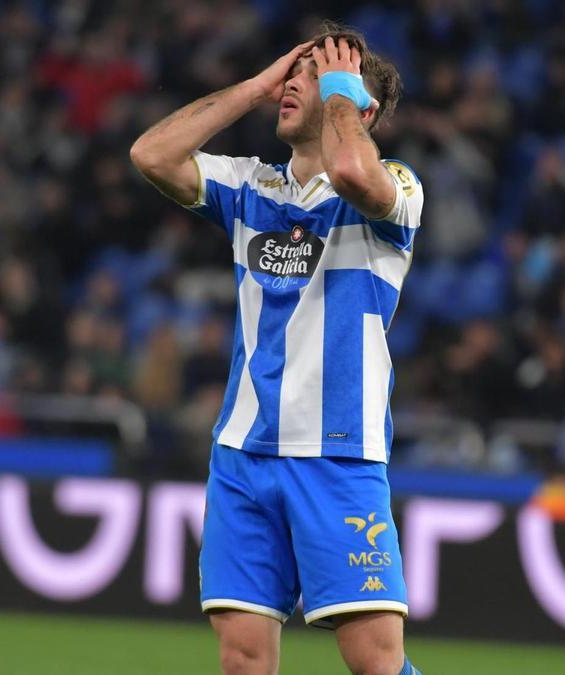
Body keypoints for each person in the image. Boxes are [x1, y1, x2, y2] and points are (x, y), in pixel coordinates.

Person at [131, 22, 423, 675]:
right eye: (292, 74)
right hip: (244, 454)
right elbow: (151, 155)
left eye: (313, 76)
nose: (294, 83)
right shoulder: (251, 187)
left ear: (360, 106)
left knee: (376, 663)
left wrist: (341, 92)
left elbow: (352, 168)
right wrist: (253, 88)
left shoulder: (395, 194)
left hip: (338, 455)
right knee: (242, 662)